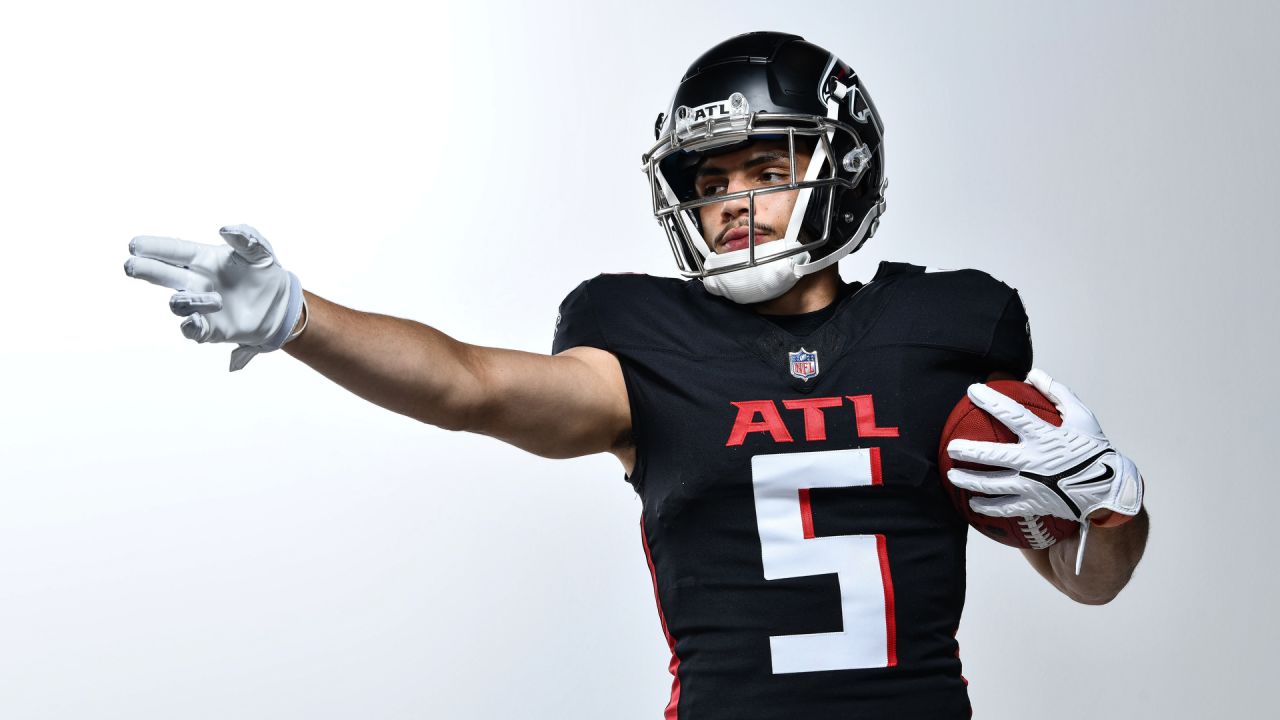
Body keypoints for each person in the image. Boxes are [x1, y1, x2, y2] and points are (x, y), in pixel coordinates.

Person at [124, 31, 1148, 720]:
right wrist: (305, 319)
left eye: (765, 167)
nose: (736, 203)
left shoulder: (946, 328)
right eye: (711, 183)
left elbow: (1085, 580)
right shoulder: (647, 342)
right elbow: (469, 384)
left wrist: (1110, 511)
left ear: (839, 167)